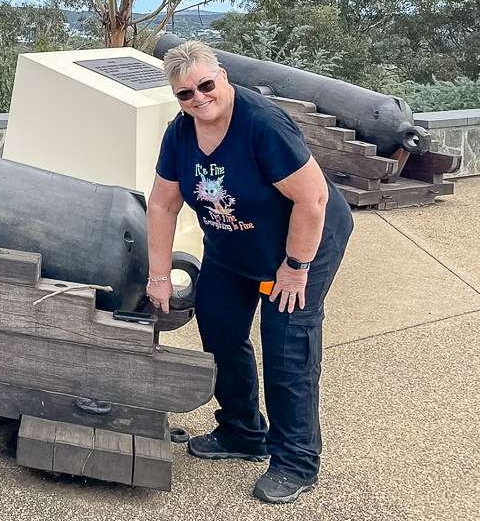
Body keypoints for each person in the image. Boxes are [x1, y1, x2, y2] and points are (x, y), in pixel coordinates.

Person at [145, 40, 353, 504]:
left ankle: (296, 461)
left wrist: (296, 269)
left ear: (222, 76)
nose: (199, 98)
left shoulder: (261, 125)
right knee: (219, 330)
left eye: (205, 85)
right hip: (232, 248)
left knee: (287, 351)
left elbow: (312, 199)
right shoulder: (181, 134)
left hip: (303, 245)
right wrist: (158, 275)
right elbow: (162, 203)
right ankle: (243, 432)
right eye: (185, 94)